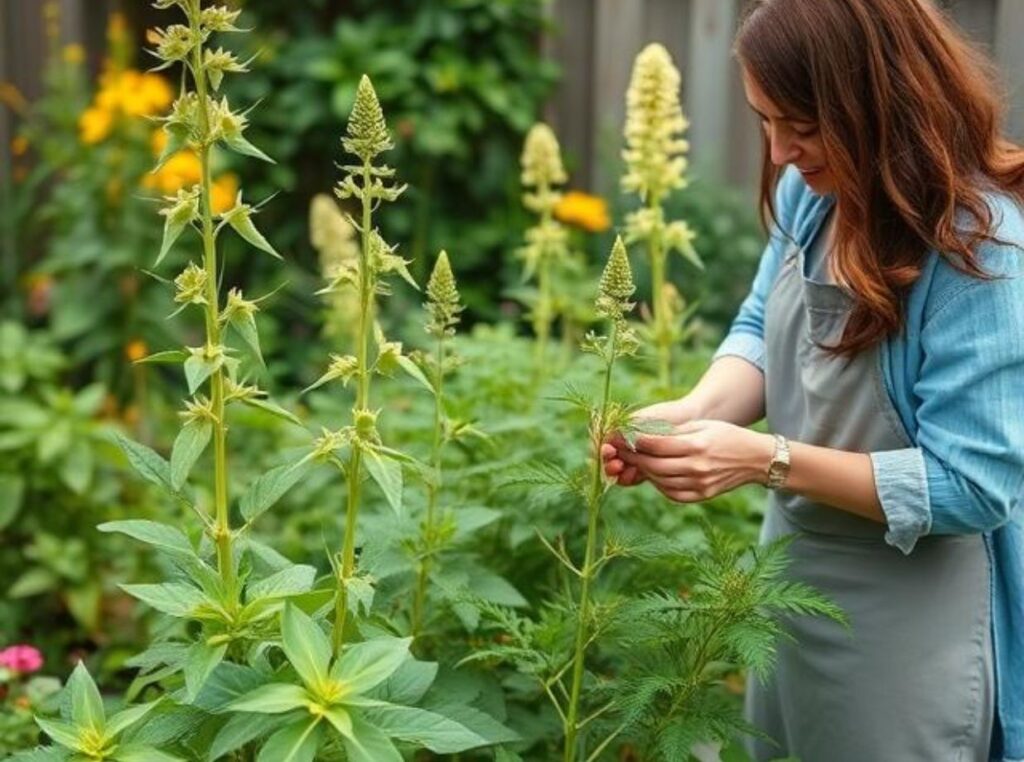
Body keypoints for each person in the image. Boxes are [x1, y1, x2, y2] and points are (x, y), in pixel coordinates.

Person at [601, 1, 1024, 760]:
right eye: (765, 120)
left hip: (907, 623)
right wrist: (693, 416)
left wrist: (762, 458)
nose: (780, 150)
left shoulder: (980, 254)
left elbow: (975, 484)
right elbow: (765, 327)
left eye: (802, 123)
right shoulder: (813, 195)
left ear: (881, 100)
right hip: (789, 579)